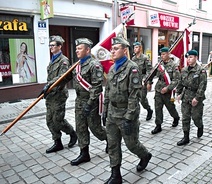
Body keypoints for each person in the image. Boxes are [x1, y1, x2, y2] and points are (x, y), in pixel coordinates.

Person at [102, 36, 152, 184]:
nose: (113, 51)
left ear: (125, 50)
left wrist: (129, 117)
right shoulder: (112, 68)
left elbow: (134, 95)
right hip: (112, 112)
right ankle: (115, 175)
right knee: (112, 144)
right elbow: (107, 90)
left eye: (116, 48)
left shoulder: (132, 68)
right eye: (112, 49)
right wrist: (105, 109)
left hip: (126, 113)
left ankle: (145, 155)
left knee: (131, 144)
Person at [62, 38, 108, 166]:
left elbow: (97, 87)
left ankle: (109, 139)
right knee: (80, 128)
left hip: (91, 102)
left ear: (87, 50)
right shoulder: (77, 65)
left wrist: (89, 104)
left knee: (96, 128)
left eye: (80, 48)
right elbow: (64, 77)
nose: (76, 50)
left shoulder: (95, 65)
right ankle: (84, 153)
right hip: (79, 101)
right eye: (76, 48)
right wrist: (50, 85)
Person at [39, 35, 77, 154]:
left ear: (59, 46)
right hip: (50, 95)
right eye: (49, 45)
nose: (50, 47)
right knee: (49, 120)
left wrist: (48, 84)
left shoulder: (64, 61)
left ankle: (72, 133)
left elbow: (61, 77)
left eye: (53, 45)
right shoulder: (52, 60)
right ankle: (57, 142)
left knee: (58, 120)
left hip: (59, 95)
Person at [176, 50, 207, 146]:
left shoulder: (201, 70)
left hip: (196, 96)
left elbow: (203, 86)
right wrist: (178, 93)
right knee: (185, 118)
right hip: (186, 97)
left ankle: (200, 126)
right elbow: (180, 83)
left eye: (191, 57)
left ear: (196, 58)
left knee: (196, 117)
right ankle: (186, 137)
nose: (189, 59)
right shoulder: (184, 70)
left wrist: (197, 98)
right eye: (188, 57)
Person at [149, 47, 180, 134]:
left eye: (163, 54)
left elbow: (176, 79)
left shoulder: (174, 65)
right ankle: (158, 125)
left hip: (168, 91)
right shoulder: (159, 65)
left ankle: (176, 117)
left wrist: (168, 88)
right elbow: (151, 74)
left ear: (168, 54)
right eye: (161, 54)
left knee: (170, 107)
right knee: (157, 108)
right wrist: (149, 82)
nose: (162, 56)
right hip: (158, 89)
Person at [132, 42, 153, 121]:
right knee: (134, 99)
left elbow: (149, 71)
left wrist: (147, 82)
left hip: (143, 82)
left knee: (142, 99)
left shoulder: (145, 58)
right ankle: (136, 116)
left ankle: (149, 110)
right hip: (135, 82)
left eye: (136, 47)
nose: (135, 49)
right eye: (134, 47)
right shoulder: (133, 59)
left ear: (140, 48)